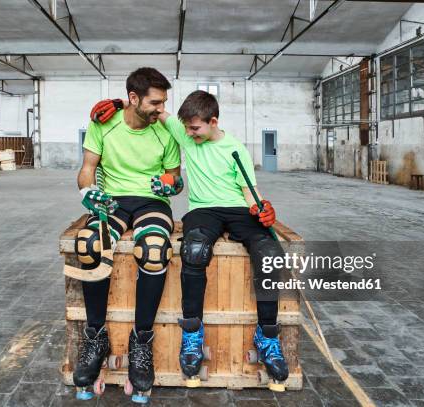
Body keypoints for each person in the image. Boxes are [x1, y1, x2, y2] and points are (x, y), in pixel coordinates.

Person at [90, 90, 289, 390]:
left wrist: (263, 208)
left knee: (269, 252)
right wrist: (118, 104)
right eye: (186, 128)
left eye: (195, 128)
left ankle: (268, 335)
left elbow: (249, 191)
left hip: (237, 208)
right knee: (194, 251)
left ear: (213, 122)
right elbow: (149, 109)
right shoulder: (186, 134)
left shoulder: (235, 149)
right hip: (203, 209)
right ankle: (192, 334)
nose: (189, 134)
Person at [74, 67, 182, 400]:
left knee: (153, 249)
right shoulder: (103, 122)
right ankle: (96, 337)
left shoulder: (164, 130)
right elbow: (87, 170)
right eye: (155, 102)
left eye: (163, 102)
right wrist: (87, 193)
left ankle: (141, 342)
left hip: (152, 202)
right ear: (133, 98)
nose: (161, 109)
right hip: (113, 199)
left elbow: (175, 180)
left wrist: (170, 184)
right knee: (89, 244)